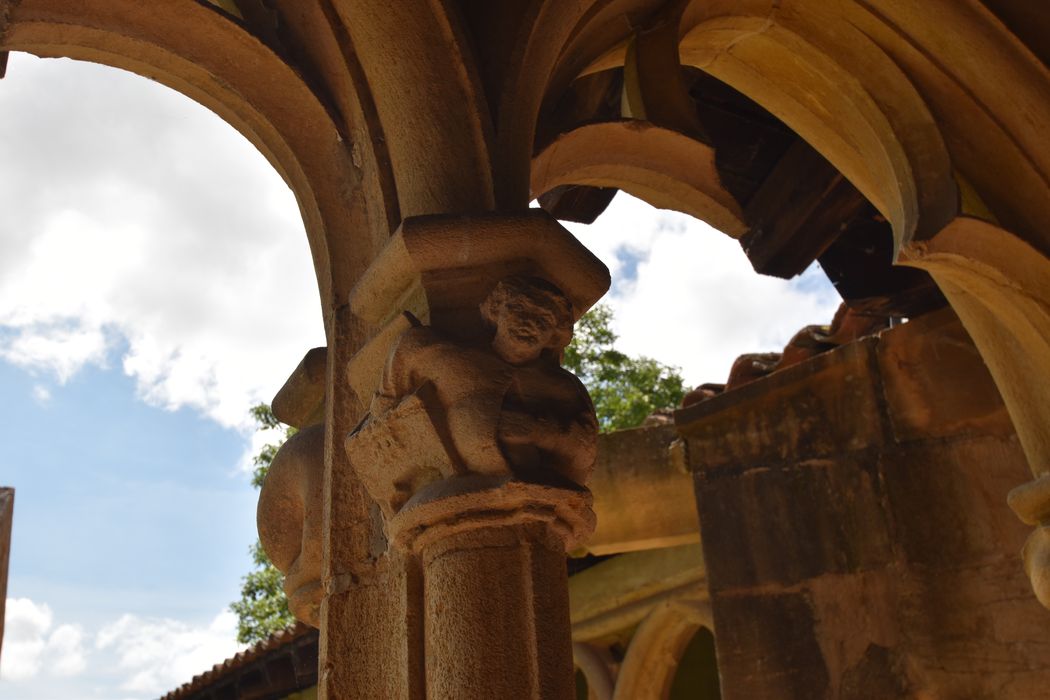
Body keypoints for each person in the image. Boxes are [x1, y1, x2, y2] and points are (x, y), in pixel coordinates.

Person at [355, 276, 597, 509]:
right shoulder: (449, 356)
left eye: (543, 318)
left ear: (554, 334)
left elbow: (584, 451)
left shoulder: (561, 387)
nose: (529, 322)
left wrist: (538, 430)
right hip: (440, 499)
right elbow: (408, 348)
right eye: (519, 308)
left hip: (528, 505)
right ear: (497, 309)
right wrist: (384, 420)